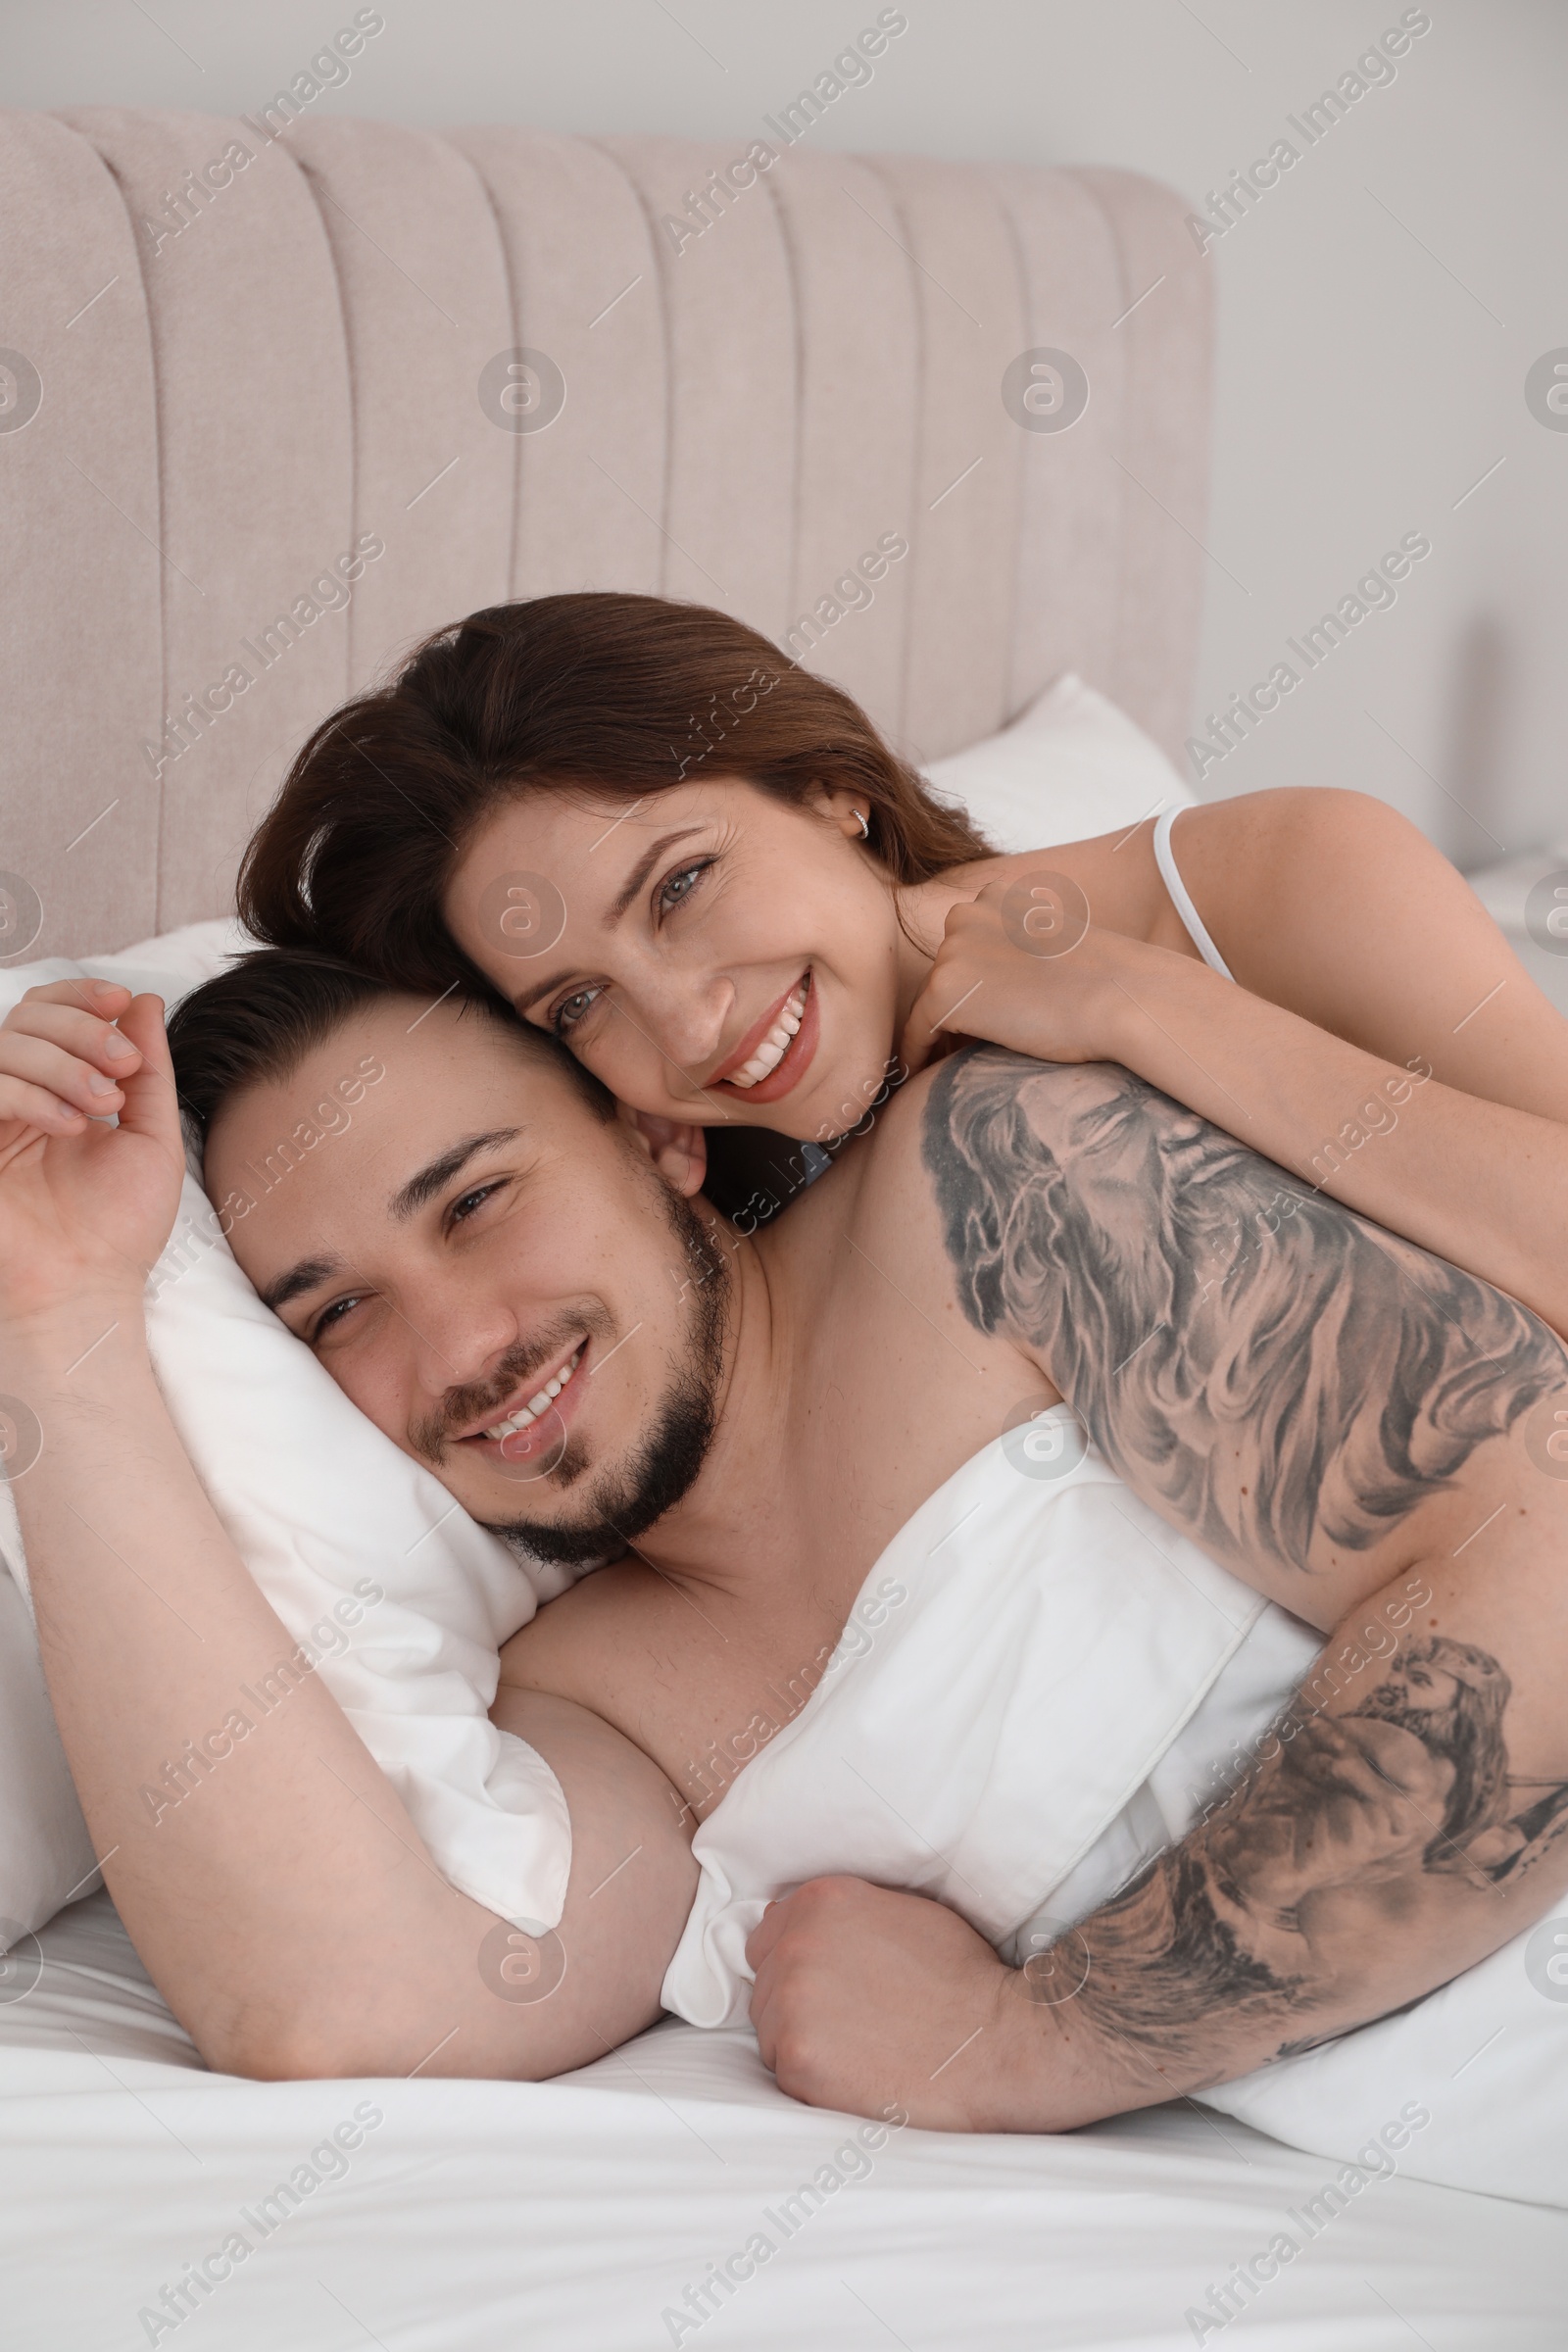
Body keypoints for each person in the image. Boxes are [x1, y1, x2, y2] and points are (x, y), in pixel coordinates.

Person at [2, 948, 1564, 2131]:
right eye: (339, 1312)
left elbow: (1545, 1542)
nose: (467, 1343)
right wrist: (59, 1320)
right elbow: (337, 2002)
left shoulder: (993, 1187)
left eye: (477, 1200)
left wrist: (1038, 2041)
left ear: (658, 1139)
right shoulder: (596, 1702)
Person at [203, 591, 1568, 1338]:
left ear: (828, 789)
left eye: (682, 886)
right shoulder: (716, 1198)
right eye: (579, 1000)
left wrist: (1146, 1010)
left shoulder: (1282, 877)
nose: (685, 1027)